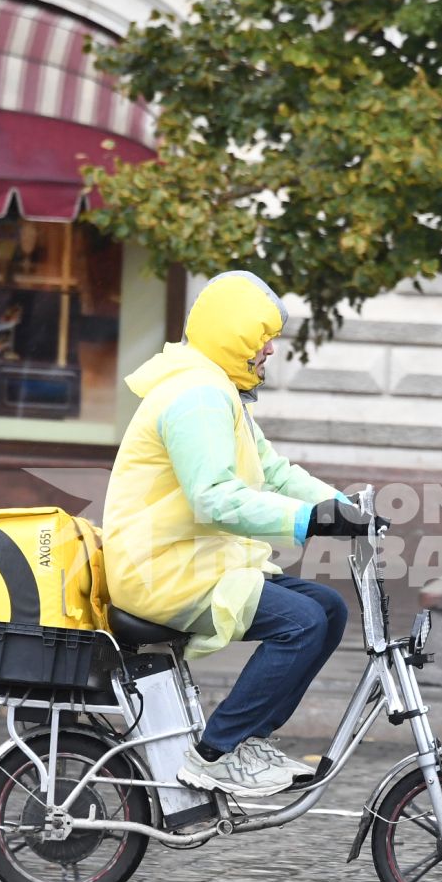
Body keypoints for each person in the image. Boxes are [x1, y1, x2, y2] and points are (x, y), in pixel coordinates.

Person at [103, 271, 370, 798]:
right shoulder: (196, 397)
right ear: (233, 334)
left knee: (328, 608)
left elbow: (274, 472)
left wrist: (344, 509)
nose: (270, 349)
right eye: (262, 336)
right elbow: (213, 498)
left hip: (193, 564)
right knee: (300, 622)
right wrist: (306, 521)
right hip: (162, 572)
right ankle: (215, 754)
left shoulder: (217, 391)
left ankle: (247, 742)